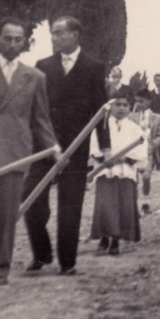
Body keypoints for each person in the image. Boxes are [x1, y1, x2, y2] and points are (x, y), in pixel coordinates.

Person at [0, 18, 60, 287]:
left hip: (17, 150)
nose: (12, 44)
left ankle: (0, 269)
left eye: (17, 39)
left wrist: (54, 148)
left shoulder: (34, 77)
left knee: (8, 213)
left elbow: (41, 119)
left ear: (25, 43)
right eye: (7, 38)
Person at [26, 16, 107, 275]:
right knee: (32, 197)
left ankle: (67, 262)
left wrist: (104, 146)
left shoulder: (93, 68)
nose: (54, 37)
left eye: (59, 33)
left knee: (70, 206)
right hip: (44, 146)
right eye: (52, 33)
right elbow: (35, 109)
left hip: (76, 148)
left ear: (75, 35)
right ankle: (41, 254)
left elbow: (100, 111)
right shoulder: (43, 66)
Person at [89, 90, 146, 256]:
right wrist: (104, 157)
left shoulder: (135, 129)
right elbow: (94, 148)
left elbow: (141, 151)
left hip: (126, 172)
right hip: (106, 171)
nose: (121, 108)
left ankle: (115, 240)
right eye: (117, 104)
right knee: (106, 205)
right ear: (110, 106)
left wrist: (125, 158)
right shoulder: (102, 126)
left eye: (125, 105)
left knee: (123, 205)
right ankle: (104, 237)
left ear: (130, 107)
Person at [131, 88, 160, 214]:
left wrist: (151, 146)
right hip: (133, 152)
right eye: (136, 101)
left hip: (148, 152)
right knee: (133, 179)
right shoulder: (131, 117)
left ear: (149, 102)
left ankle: (146, 199)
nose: (138, 104)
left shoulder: (158, 118)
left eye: (141, 101)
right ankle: (133, 205)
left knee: (146, 177)